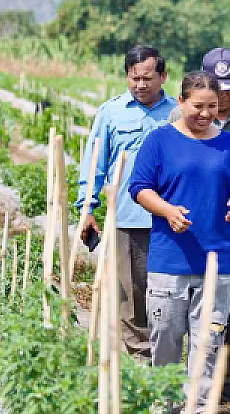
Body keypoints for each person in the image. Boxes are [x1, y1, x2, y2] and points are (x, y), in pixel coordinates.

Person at [129, 71, 230, 410]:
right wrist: (167, 210)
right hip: (170, 261)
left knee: (207, 346)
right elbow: (140, 187)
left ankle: (198, 408)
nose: (206, 113)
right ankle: (165, 406)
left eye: (212, 106)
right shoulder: (160, 140)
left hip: (217, 261)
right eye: (198, 106)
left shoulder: (227, 144)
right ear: (180, 102)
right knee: (165, 342)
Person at [168, 47, 230, 401]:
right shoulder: (178, 117)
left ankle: (224, 377)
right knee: (182, 302)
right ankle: (184, 379)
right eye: (216, 90)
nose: (222, 99)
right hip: (190, 228)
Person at [76, 45, 177, 359]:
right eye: (134, 78)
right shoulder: (111, 112)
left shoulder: (177, 114)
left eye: (147, 78)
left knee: (169, 293)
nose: (140, 85)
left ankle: (167, 357)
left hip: (170, 218)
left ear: (163, 76)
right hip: (126, 217)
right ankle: (140, 359)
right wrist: (87, 208)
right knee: (130, 295)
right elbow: (95, 163)